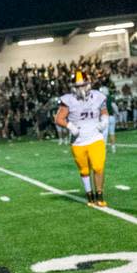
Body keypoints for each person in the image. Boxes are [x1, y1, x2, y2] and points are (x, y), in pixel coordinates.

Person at [55, 70, 109, 207]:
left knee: (98, 166)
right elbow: (59, 118)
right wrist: (70, 126)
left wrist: (104, 121)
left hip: (95, 137)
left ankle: (100, 195)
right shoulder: (68, 100)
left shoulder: (98, 96)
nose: (80, 88)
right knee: (84, 170)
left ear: (88, 84)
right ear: (73, 87)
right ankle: (89, 195)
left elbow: (104, 112)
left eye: (83, 85)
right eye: (77, 86)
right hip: (78, 141)